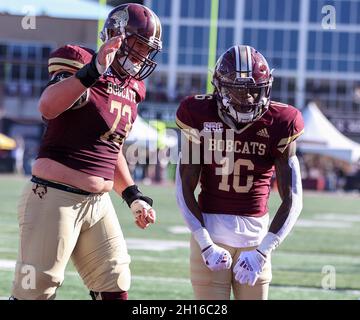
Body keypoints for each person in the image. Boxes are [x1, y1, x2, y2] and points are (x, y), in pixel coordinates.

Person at [10, 3, 162, 300]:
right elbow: (47, 106)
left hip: (98, 202)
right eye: (137, 45)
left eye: (148, 49)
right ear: (116, 36)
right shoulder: (82, 64)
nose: (142, 55)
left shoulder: (132, 87)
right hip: (55, 197)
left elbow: (109, 145)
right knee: (36, 292)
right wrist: (92, 72)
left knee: (115, 285)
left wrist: (132, 195)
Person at [176, 45, 304, 300]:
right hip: (211, 234)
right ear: (220, 88)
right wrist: (205, 244)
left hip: (256, 238)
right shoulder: (197, 113)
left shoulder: (282, 121)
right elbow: (183, 185)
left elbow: (294, 198)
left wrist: (263, 251)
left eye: (253, 91)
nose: (246, 98)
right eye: (238, 89)